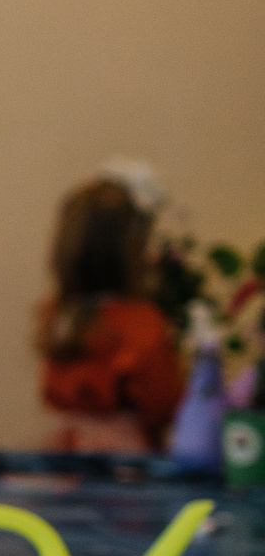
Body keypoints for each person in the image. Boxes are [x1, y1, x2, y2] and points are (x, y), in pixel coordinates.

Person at [38, 175, 184, 454]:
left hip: (69, 450)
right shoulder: (142, 323)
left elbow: (52, 393)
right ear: (133, 250)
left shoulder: (57, 316)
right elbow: (164, 403)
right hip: (128, 459)